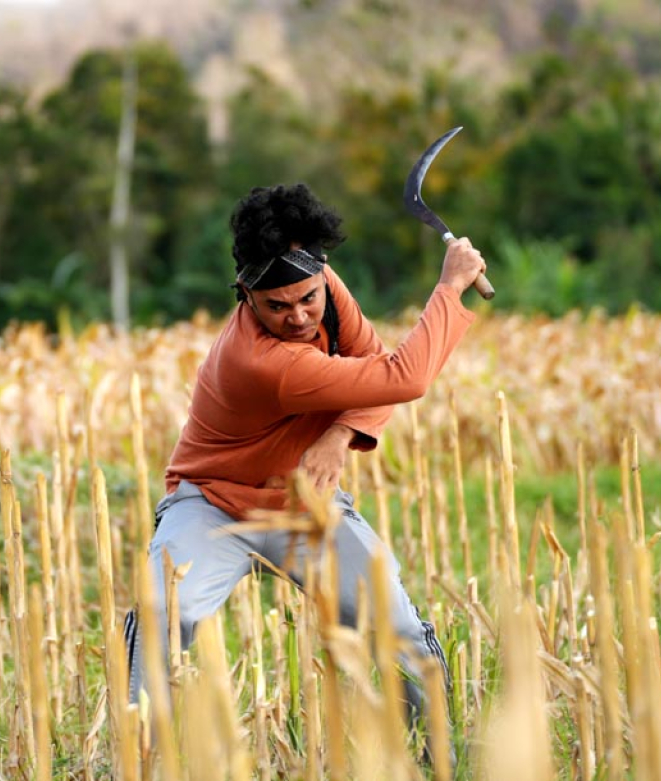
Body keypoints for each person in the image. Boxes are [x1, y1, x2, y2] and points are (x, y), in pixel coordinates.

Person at [124, 182, 486, 761]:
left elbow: (372, 366)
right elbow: (404, 378)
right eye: (277, 306)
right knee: (166, 612)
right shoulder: (261, 363)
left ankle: (441, 761)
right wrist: (449, 287)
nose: (297, 316)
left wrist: (339, 435)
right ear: (246, 294)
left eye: (307, 299)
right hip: (215, 504)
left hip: (305, 504)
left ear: (322, 274)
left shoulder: (325, 290)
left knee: (400, 630)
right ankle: (140, 764)